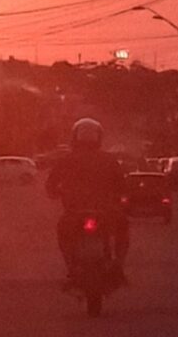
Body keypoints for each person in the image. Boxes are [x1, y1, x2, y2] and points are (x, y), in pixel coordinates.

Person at [46, 117, 129, 283]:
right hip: (104, 212)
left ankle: (71, 266)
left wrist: (55, 192)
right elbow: (122, 185)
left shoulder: (66, 159)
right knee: (122, 228)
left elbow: (51, 185)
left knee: (63, 233)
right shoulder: (109, 160)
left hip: (77, 213)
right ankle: (118, 265)